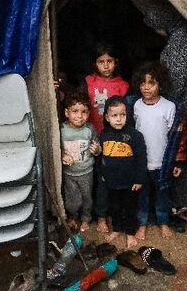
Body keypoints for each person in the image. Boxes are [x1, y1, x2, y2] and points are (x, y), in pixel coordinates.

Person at [85, 43, 129, 233]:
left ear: (115, 62)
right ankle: (100, 216)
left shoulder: (123, 85)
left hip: (115, 137)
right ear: (95, 63)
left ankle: (114, 214)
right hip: (93, 135)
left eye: (109, 61)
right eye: (101, 62)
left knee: (113, 176)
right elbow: (76, 99)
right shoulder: (88, 82)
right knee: (96, 177)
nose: (105, 66)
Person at [132, 62, 178, 239]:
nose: (146, 87)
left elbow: (174, 137)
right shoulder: (136, 106)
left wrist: (176, 161)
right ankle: (142, 224)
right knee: (142, 195)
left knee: (162, 194)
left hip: (162, 162)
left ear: (160, 84)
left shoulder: (169, 107)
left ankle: (163, 222)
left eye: (151, 83)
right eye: (143, 83)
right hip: (142, 162)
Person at [99, 96, 147, 248]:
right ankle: (117, 228)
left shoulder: (135, 136)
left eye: (122, 115)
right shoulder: (103, 135)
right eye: (114, 115)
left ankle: (130, 232)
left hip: (130, 183)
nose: (119, 119)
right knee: (114, 208)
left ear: (128, 115)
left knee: (130, 208)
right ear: (107, 117)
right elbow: (102, 158)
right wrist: (102, 175)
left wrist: (139, 179)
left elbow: (141, 159)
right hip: (111, 182)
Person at [60, 91, 101, 232]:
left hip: (87, 171)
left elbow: (97, 148)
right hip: (69, 173)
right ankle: (72, 216)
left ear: (89, 114)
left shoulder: (89, 129)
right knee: (72, 200)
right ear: (67, 113)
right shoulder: (62, 130)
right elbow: (56, 149)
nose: (79, 115)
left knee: (87, 198)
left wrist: (96, 149)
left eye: (84, 112)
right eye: (75, 111)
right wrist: (62, 155)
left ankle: (86, 218)